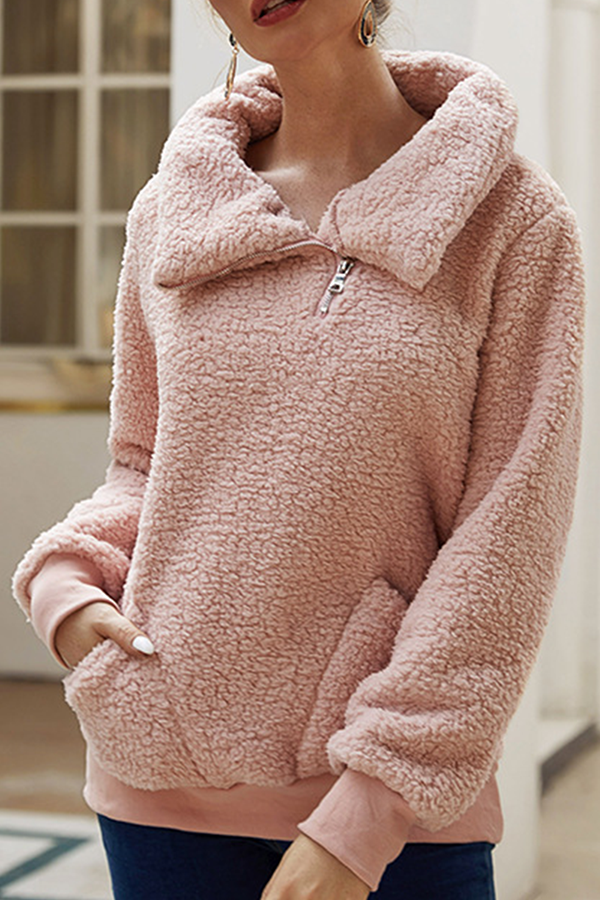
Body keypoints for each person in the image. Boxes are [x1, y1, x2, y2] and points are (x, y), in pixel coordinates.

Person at [12, 0, 586, 897]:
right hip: (159, 786)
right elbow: (144, 465)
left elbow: (507, 538)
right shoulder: (174, 209)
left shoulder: (512, 218)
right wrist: (64, 581)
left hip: (388, 814)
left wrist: (370, 813)